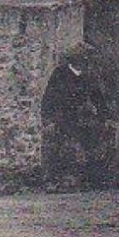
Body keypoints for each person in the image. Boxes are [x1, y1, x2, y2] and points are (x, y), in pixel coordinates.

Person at [39, 43, 110, 190]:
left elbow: (99, 99)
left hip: (81, 118)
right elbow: (48, 99)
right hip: (61, 117)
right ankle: (52, 181)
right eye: (86, 60)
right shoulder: (59, 74)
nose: (88, 63)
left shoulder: (89, 76)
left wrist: (105, 118)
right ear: (76, 60)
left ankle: (89, 180)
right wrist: (48, 120)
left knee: (93, 140)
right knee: (56, 146)